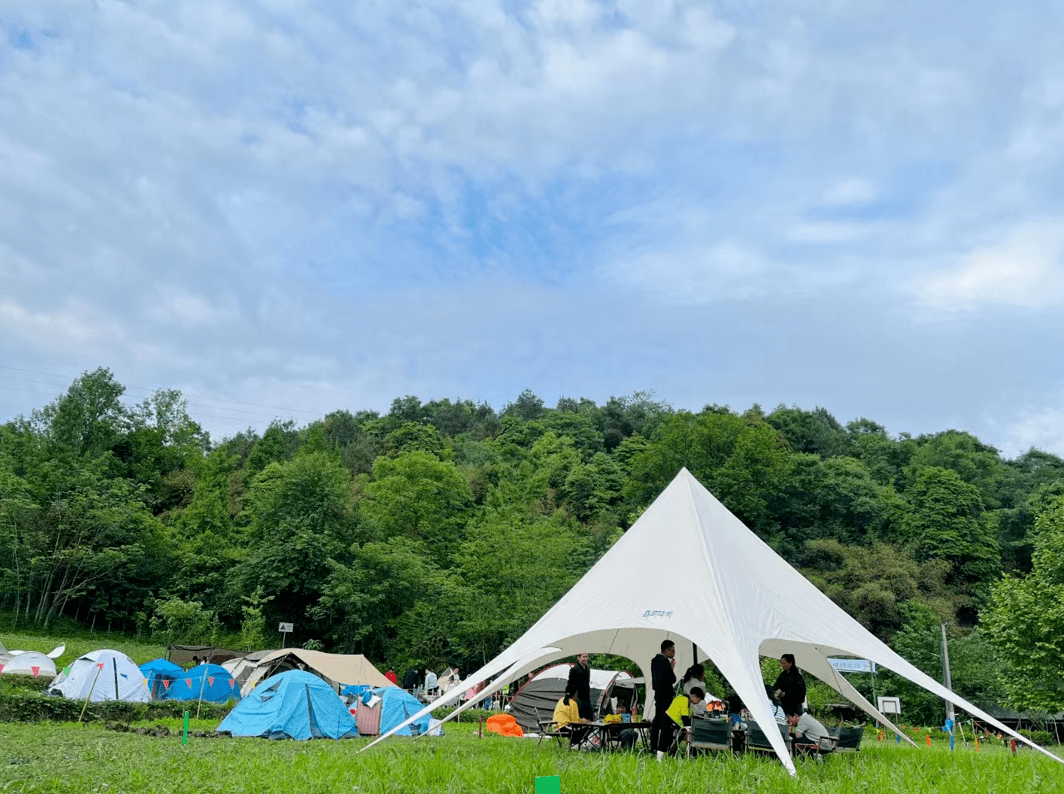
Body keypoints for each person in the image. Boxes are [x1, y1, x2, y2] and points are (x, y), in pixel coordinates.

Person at [651, 639, 677, 761]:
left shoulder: (654, 661)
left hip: (658, 695)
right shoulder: (665, 662)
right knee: (665, 724)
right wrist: (672, 667)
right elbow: (672, 679)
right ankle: (662, 748)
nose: (674, 653)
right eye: (672, 650)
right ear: (666, 650)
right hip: (666, 697)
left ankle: (653, 746)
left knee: (656, 722)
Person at [553, 682, 590, 747]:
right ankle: (575, 745)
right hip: (564, 728)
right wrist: (584, 721)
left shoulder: (561, 700)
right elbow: (575, 721)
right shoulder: (573, 703)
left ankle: (574, 744)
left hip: (556, 727)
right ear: (574, 694)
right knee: (587, 729)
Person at [567, 653, 593, 721]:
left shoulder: (587, 669)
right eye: (583, 657)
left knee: (589, 717)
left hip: (586, 697)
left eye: (586, 657)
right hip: (578, 697)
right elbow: (570, 684)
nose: (585, 659)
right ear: (579, 658)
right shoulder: (574, 669)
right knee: (581, 717)